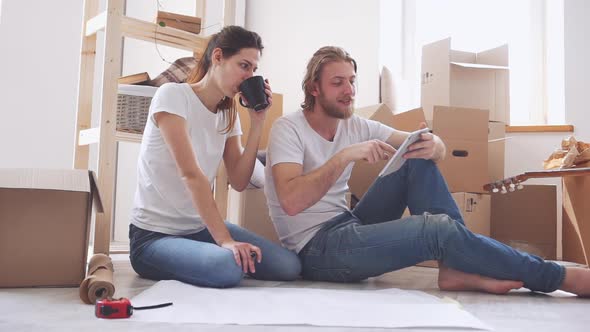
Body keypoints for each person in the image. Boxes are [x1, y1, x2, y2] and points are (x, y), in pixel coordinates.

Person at [264, 46, 590, 296]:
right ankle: (557, 277)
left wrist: (436, 146)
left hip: (349, 223)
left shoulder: (355, 124)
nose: (349, 90)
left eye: (351, 81)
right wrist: (344, 156)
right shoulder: (288, 129)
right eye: (338, 83)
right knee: (437, 231)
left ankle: (453, 269)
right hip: (318, 250)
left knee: (416, 154)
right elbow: (291, 201)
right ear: (314, 88)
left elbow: (423, 145)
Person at [129, 26, 301, 288]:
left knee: (288, 266)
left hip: (199, 230)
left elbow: (240, 180)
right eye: (244, 65)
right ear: (218, 57)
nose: (248, 76)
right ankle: (209, 256)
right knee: (228, 267)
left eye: (253, 70)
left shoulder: (226, 114)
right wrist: (225, 241)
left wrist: (257, 122)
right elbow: (191, 175)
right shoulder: (173, 96)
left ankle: (207, 255)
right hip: (154, 238)